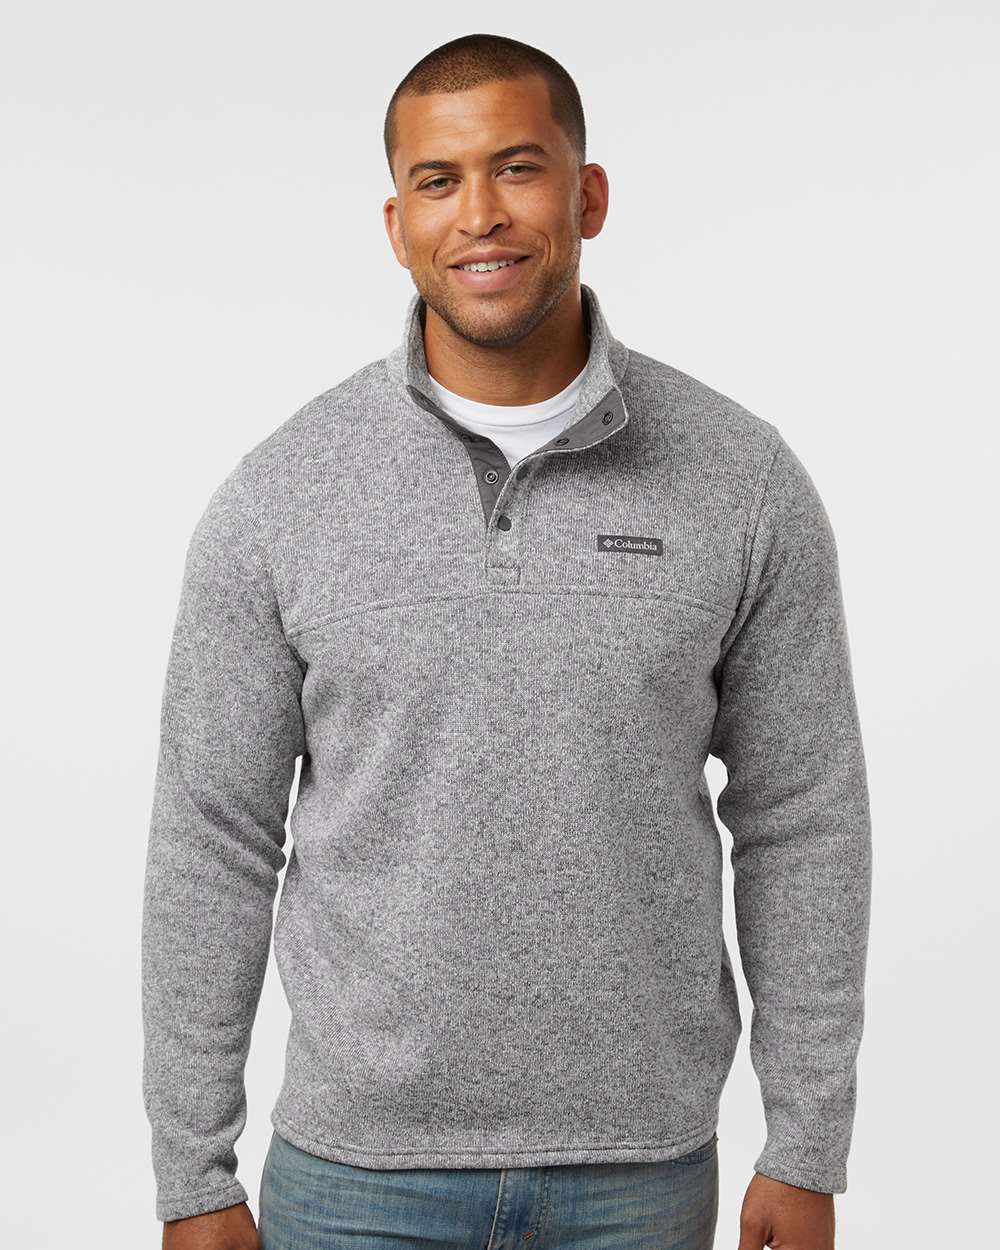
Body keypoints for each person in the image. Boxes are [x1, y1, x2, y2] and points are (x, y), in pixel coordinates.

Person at [141, 31, 872, 1250]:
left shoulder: (740, 482)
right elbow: (210, 839)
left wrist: (806, 1141)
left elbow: (803, 814)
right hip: (354, 1177)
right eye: (438, 180)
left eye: (517, 167)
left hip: (639, 1172)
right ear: (397, 224)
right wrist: (191, 1172)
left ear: (588, 195)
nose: (478, 213)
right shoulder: (280, 497)